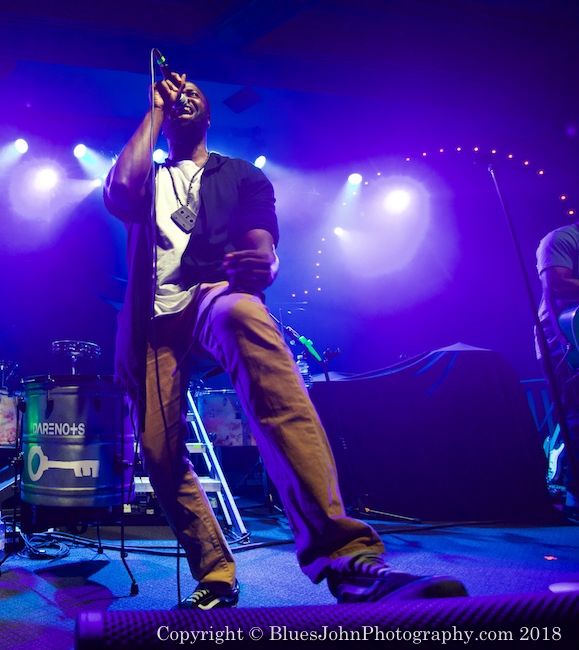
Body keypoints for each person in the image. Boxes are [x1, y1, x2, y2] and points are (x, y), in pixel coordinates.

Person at [103, 71, 468, 609]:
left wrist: (266, 264)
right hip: (149, 320)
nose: (183, 98)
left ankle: (350, 560)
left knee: (244, 319)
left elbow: (262, 246)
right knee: (158, 451)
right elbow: (119, 193)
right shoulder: (150, 176)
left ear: (209, 115)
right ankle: (216, 572)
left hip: (214, 292)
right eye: (174, 95)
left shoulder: (244, 176)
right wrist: (155, 110)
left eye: (192, 96)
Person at [535, 223, 579, 511]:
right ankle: (575, 491)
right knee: (576, 415)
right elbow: (558, 284)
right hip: (564, 341)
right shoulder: (561, 239)